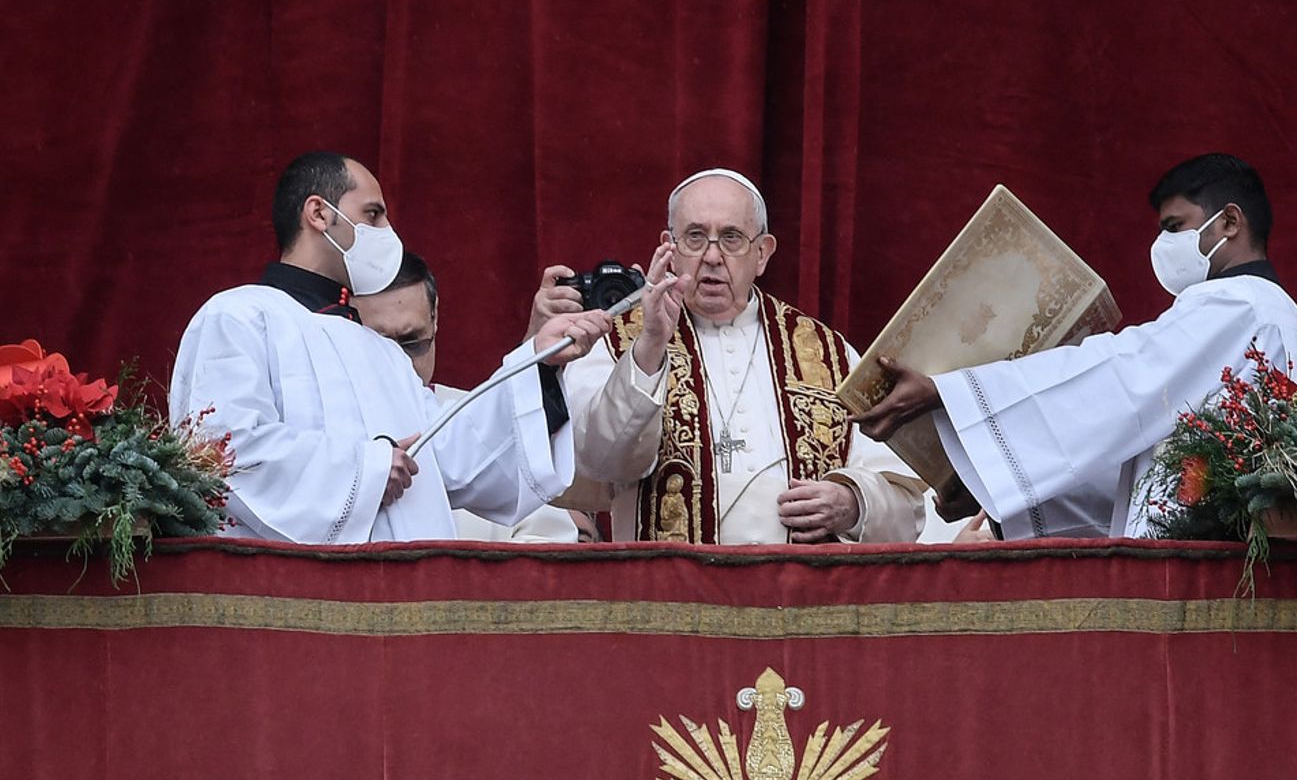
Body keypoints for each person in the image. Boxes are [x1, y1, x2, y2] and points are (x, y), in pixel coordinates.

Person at [853, 153, 1297, 539]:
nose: (1162, 244)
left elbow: (1122, 377)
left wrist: (950, 392)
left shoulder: (1239, 305)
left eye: (1175, 226)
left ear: (1230, 222)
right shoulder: (1264, 311)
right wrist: (996, 488)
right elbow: (1141, 472)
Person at [169, 150, 609, 544]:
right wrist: (366, 470)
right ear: (319, 214)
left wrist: (539, 362)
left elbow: (457, 454)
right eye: (373, 214)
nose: (387, 232)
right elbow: (222, 454)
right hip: (294, 595)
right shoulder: (240, 314)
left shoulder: (378, 349)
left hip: (405, 596)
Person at [537, 167, 926, 544]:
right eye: (695, 237)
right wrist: (650, 346)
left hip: (802, 587)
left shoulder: (828, 354)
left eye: (732, 238)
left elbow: (906, 507)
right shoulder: (617, 340)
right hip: (671, 586)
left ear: (762, 253)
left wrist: (852, 503)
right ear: (670, 248)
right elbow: (601, 462)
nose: (712, 256)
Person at [354, 250, 598, 544]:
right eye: (381, 347)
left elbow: (547, 541)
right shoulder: (326, 438)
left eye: (412, 343)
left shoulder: (480, 425)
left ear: (435, 319)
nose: (401, 364)